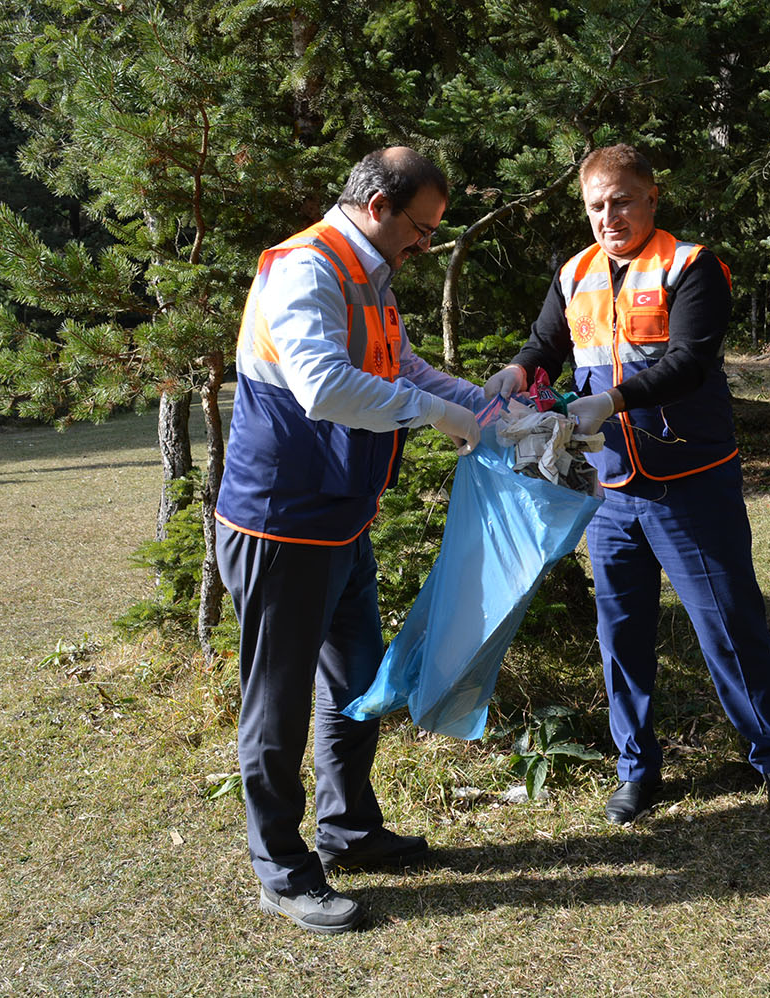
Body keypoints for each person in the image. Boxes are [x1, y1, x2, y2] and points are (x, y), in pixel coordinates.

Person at [484, 144, 770, 826]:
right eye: (596, 206)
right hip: (609, 491)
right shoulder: (574, 272)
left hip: (690, 481)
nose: (610, 216)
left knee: (729, 626)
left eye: (622, 200)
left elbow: (691, 362)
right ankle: (638, 770)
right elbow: (546, 346)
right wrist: (517, 372)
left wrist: (611, 401)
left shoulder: (690, 267)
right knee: (620, 633)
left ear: (651, 197)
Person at [214, 147, 484, 935]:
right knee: (278, 706)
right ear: (376, 205)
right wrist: (437, 417)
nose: (426, 245)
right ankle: (282, 871)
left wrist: (483, 407)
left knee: (359, 683)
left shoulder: (370, 274)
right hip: (280, 525)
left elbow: (400, 365)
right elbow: (324, 386)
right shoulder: (306, 268)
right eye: (421, 228)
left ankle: (350, 831)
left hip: (341, 520)